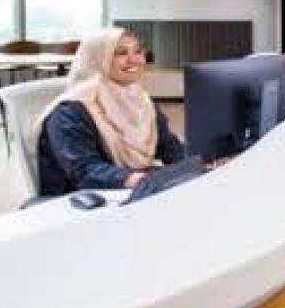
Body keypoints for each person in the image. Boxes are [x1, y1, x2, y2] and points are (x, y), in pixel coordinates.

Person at [34, 28, 185, 197]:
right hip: (78, 201)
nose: (134, 60)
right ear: (98, 59)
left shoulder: (142, 102)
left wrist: (199, 162)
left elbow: (170, 148)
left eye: (138, 51)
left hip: (131, 192)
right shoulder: (70, 112)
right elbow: (84, 171)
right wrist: (135, 179)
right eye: (121, 53)